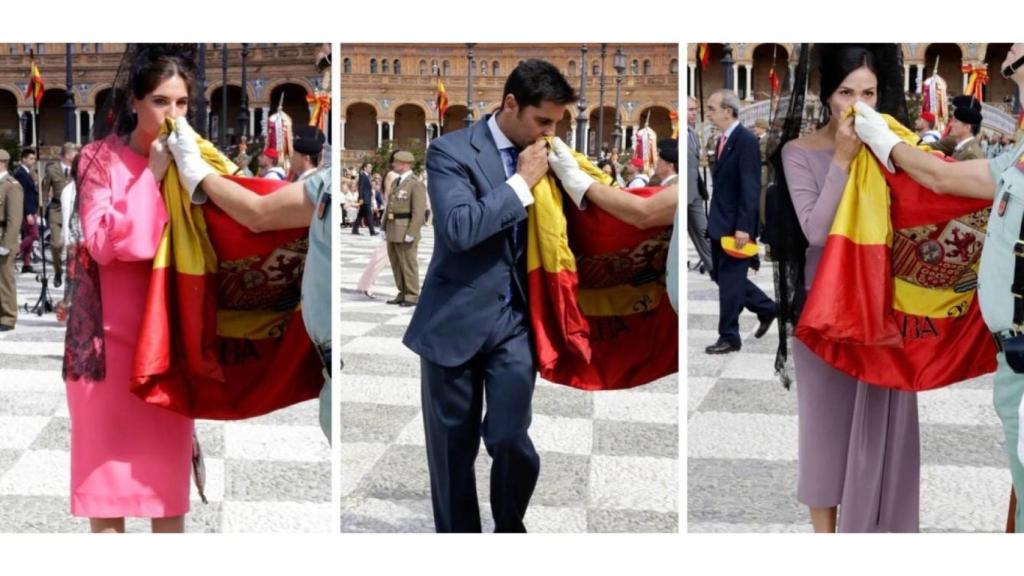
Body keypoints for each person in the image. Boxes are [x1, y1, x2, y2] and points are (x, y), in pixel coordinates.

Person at [853, 42, 1024, 532]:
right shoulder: (1019, 154)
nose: (1008, 45)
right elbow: (941, 178)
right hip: (1012, 358)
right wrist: (885, 140)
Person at [403, 59, 574, 533]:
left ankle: (510, 527)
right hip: (453, 322)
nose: (549, 133)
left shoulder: (550, 157)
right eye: (543, 121)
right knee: (452, 454)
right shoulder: (450, 151)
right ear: (511, 104)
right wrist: (521, 182)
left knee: (510, 436)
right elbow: (459, 229)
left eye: (556, 123)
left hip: (514, 322)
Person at [778, 44, 919, 533]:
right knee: (823, 433)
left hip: (882, 311)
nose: (857, 105)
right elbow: (816, 230)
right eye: (845, 92)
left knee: (881, 434)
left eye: (868, 93)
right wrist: (842, 158)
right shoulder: (798, 153)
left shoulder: (895, 149)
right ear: (825, 94)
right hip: (823, 313)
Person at [67, 45, 196, 533]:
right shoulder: (98, 160)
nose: (172, 114)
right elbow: (101, 244)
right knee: (106, 502)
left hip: (167, 349)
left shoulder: (195, 163)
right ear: (136, 102)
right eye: (161, 101)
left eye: (182, 103)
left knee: (166, 500)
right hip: (104, 350)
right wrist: (154, 179)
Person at [704, 88, 777, 355]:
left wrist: (745, 228)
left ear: (728, 111)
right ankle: (767, 307)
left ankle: (729, 337)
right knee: (722, 278)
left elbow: (750, 185)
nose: (708, 113)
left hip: (736, 225)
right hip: (720, 222)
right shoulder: (723, 139)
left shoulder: (744, 140)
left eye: (712, 108)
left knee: (730, 283)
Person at [383, 150, 426, 307]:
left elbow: (418, 211)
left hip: (406, 228)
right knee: (396, 263)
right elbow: (390, 207)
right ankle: (402, 292)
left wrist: (412, 232)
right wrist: (383, 228)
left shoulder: (415, 184)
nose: (393, 164)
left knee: (408, 263)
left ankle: (412, 294)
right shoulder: (396, 182)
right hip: (393, 228)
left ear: (405, 164)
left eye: (396, 162)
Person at [42, 142, 78, 288]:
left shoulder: (79, 169)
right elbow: (45, 191)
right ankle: (58, 271)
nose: (76, 157)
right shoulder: (52, 170)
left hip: (73, 210)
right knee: (56, 244)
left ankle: (72, 273)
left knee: (73, 245)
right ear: (66, 155)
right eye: (74, 154)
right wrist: (42, 208)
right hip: (56, 209)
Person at [687, 96, 712, 274]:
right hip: (683, 194)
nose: (695, 113)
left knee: (703, 231)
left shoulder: (694, 134)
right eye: (691, 110)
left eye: (696, 109)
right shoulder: (681, 133)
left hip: (695, 193)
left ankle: (714, 266)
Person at [0, 149, 23, 332]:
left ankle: (8, 316)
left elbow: (14, 219)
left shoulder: (12, 185)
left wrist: (6, 244)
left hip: (3, 236)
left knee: (5, 278)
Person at [13, 148, 38, 274]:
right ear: (23, 159)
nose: (33, 161)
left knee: (28, 235)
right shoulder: (21, 174)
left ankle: (26, 264)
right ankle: (15, 252)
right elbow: (22, 194)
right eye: (30, 158)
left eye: (34, 158)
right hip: (26, 210)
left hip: (31, 208)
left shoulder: (27, 173)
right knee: (34, 235)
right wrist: (28, 212)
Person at [352, 162, 376, 235]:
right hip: (364, 198)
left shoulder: (368, 176)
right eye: (369, 167)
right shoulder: (363, 175)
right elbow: (361, 187)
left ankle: (354, 230)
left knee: (360, 215)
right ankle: (372, 231)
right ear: (365, 168)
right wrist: (361, 198)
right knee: (369, 214)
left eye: (371, 167)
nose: (371, 168)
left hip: (367, 197)